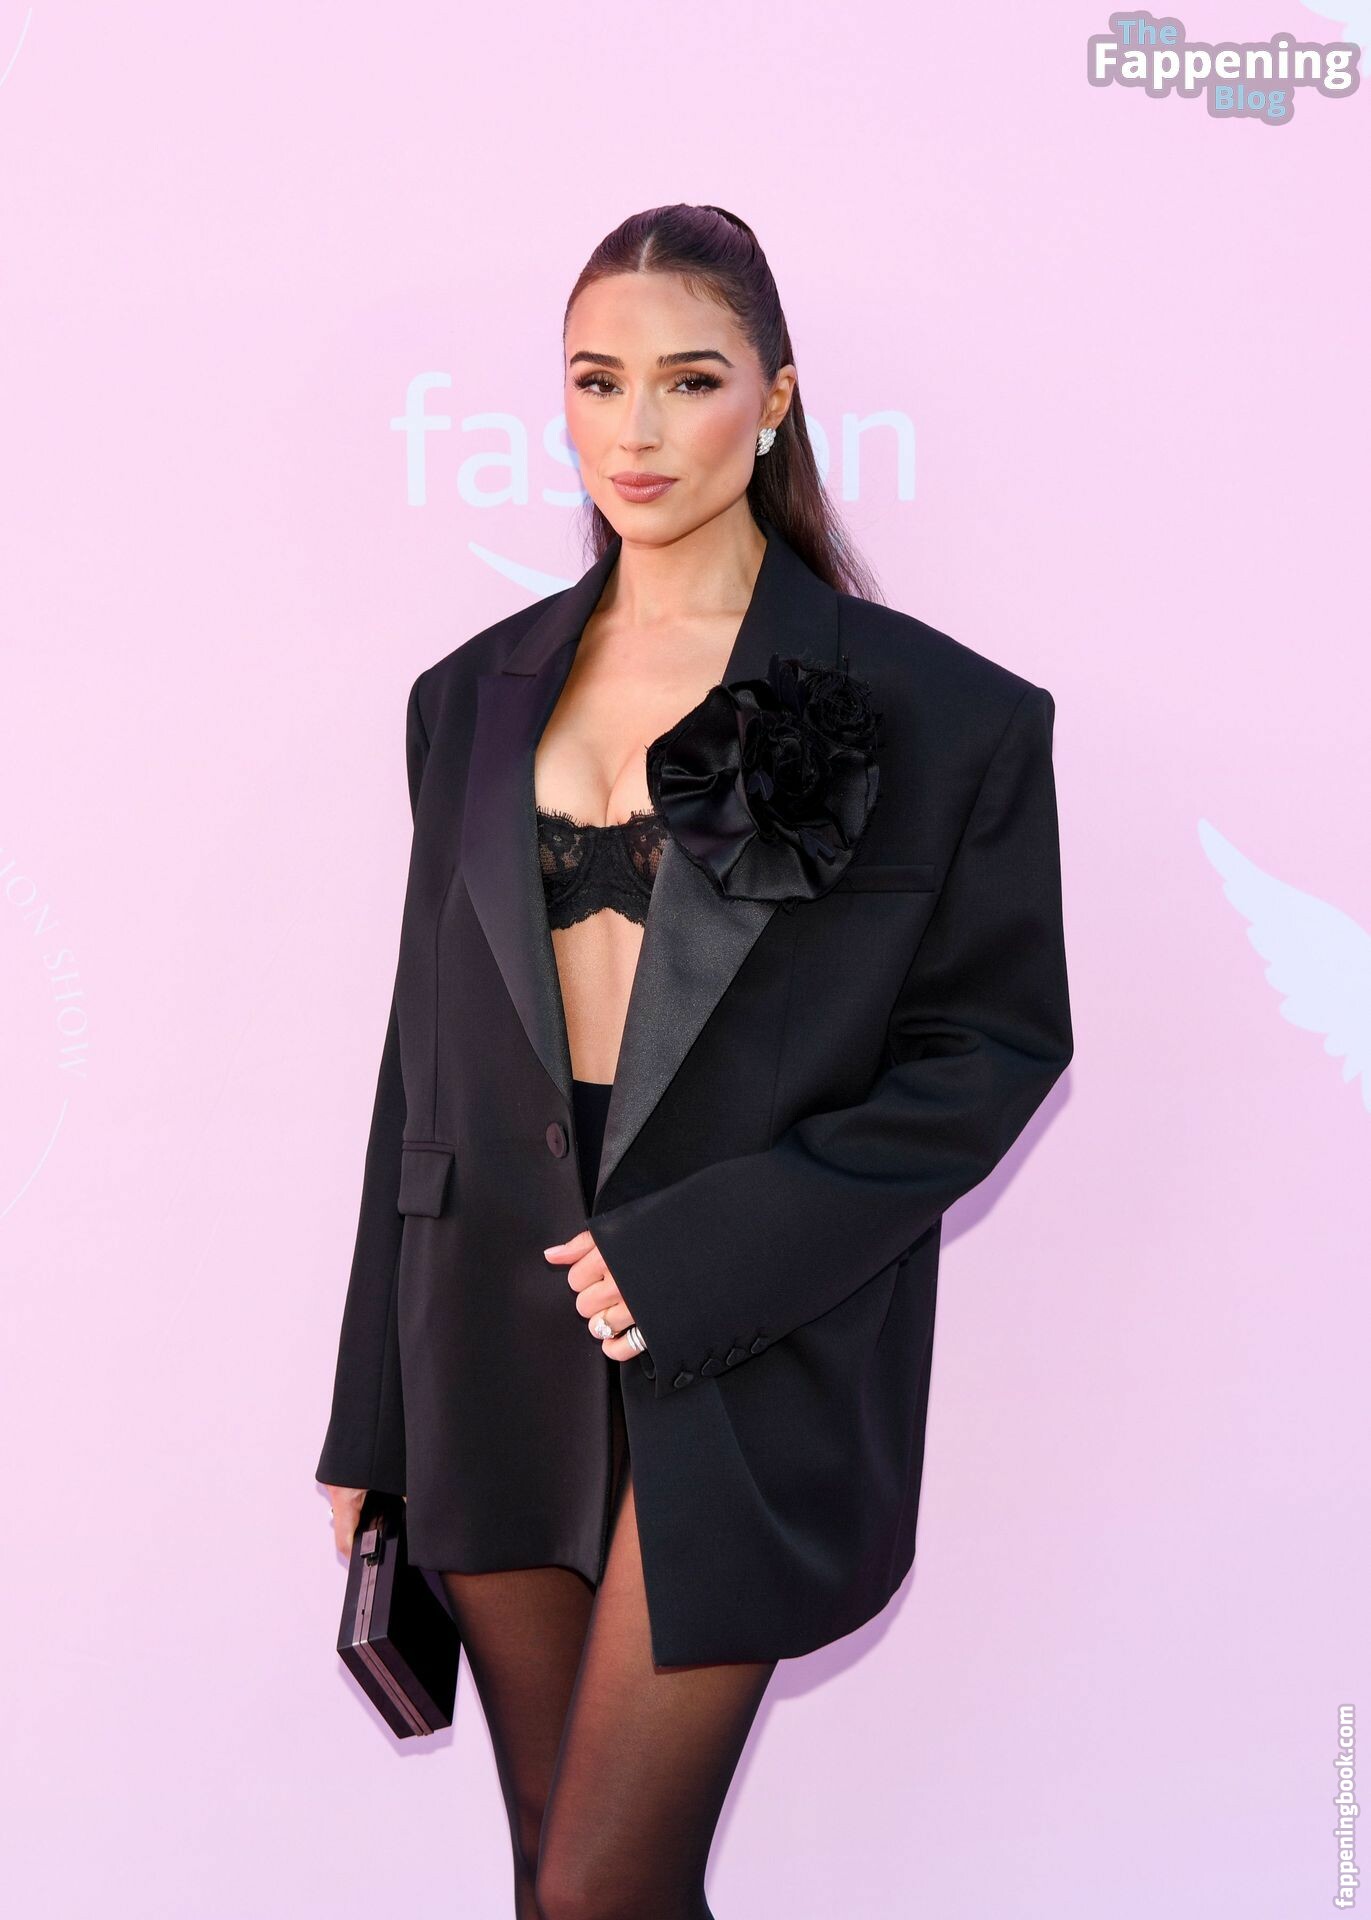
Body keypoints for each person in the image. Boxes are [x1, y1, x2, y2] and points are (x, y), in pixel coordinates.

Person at [315, 202, 1073, 1920]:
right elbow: (419, 1065)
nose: (637, 430)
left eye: (689, 379)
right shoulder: (467, 697)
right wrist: (370, 1408)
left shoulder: (948, 714)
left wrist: (705, 1255)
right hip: (483, 1328)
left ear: (776, 399)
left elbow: (991, 1050)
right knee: (562, 1881)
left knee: (602, 1884)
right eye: (598, 382)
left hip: (750, 1327)